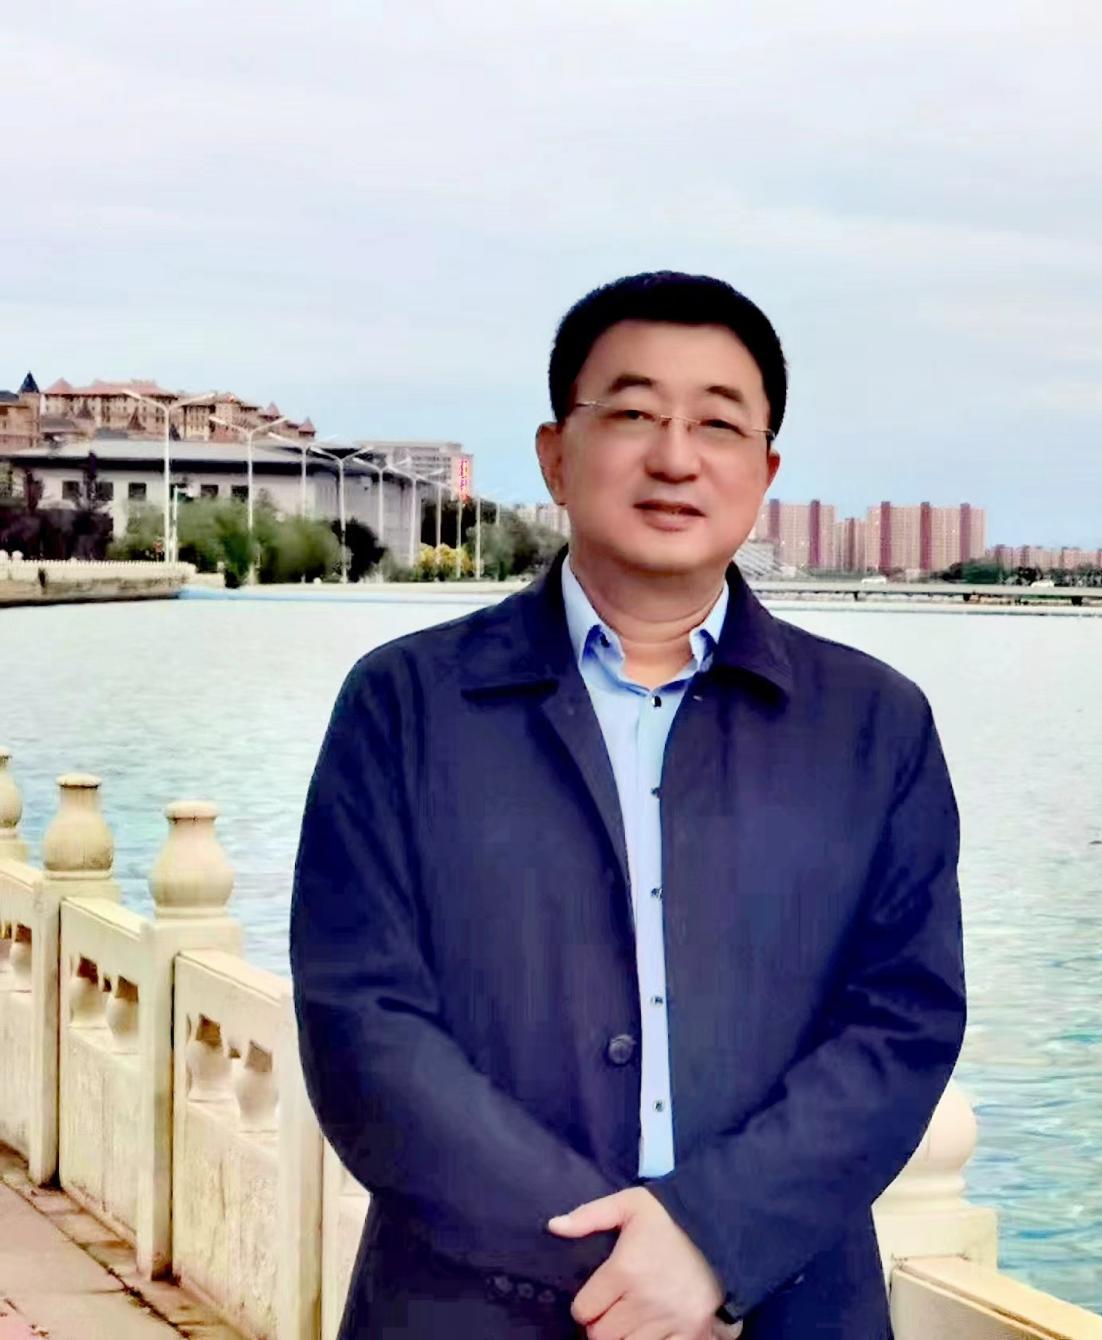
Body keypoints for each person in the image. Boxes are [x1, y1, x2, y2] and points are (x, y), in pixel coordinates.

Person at [290, 271, 966, 1339]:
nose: (675, 457)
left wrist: (714, 1240)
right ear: (556, 454)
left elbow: (903, 1022)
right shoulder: (406, 706)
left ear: (765, 471)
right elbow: (362, 1024)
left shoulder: (872, 726)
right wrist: (621, 1269)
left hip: (782, 1304)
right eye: (635, 413)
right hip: (470, 1308)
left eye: (719, 423)